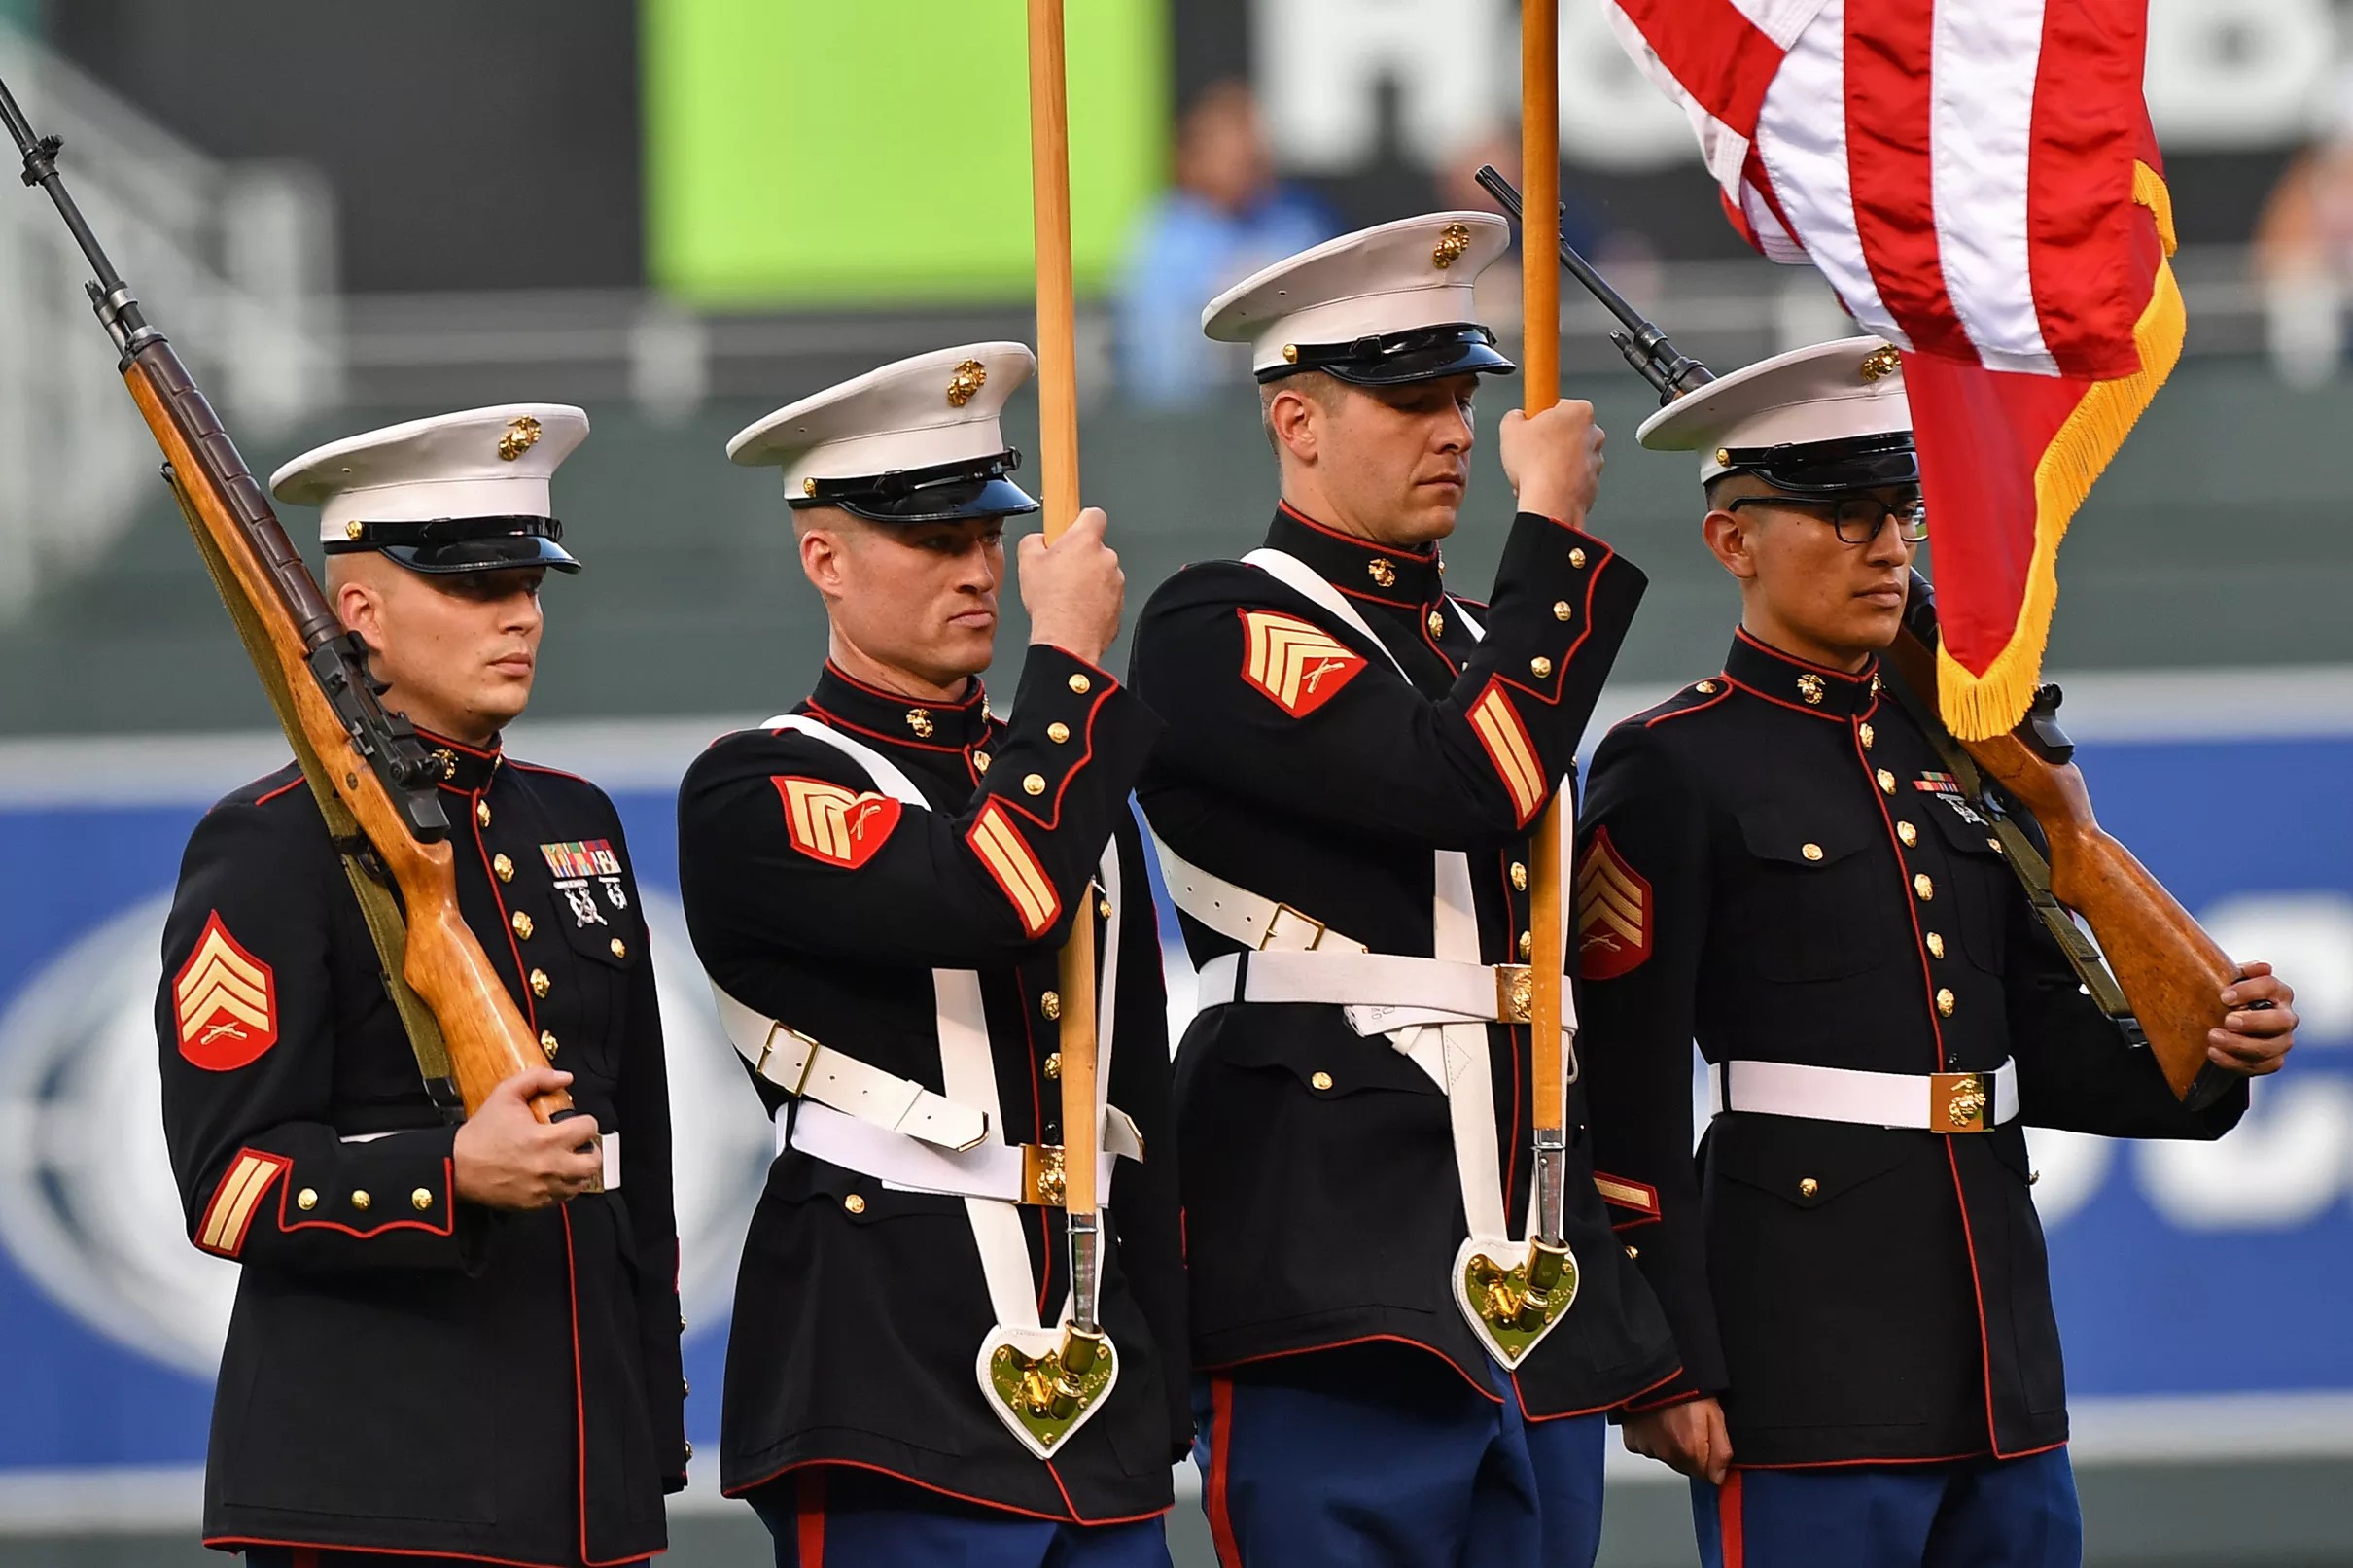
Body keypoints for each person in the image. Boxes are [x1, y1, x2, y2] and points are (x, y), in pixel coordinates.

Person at [1577, 337, 2301, 1568]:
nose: (1885, 548)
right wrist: (1665, 1356)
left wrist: (2204, 1052)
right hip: (1800, 1344)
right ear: (1731, 541)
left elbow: (2027, 1029)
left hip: (1996, 1343)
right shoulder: (1671, 764)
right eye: (1840, 516)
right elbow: (1628, 1088)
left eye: (1897, 515)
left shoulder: (1949, 757)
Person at [1126, 213, 1680, 1567]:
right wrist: (1550, 528)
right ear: (1296, 417)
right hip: (1333, 1256)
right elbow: (1461, 781)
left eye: (1462, 398)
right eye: (1407, 399)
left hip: (1530, 1251)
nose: (1452, 432)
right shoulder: (1221, 622)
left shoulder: (1490, 645)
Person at [677, 343, 1187, 1567]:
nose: (976, 570)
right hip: (885, 1359)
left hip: (1095, 1355)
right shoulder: (760, 784)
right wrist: (1067, 667)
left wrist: (1172, 1358)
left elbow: (1137, 1082)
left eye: (983, 535)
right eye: (930, 539)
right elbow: (981, 899)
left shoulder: (1055, 775)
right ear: (824, 559)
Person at [156, 404, 687, 1567]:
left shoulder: (573, 820)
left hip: (582, 1490)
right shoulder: (268, 844)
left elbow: (634, 1162)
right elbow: (229, 1186)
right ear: (361, 614)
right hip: (378, 1493)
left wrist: (645, 1439)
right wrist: (450, 1172)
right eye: (475, 584)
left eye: (530, 581)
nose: (521, 614)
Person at [1114, 80, 1336, 407]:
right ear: (1193, 158)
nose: (1247, 157)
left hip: (1295, 405)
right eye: (1230, 150)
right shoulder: (1163, 240)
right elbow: (1158, 366)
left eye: (1253, 148)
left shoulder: (1296, 225)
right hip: (1195, 420)